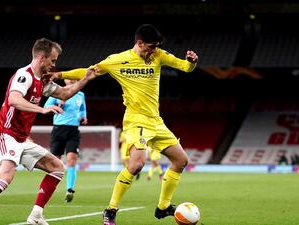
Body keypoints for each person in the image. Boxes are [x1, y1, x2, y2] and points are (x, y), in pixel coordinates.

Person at [45, 24, 198, 225]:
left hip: (156, 120)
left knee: (181, 160)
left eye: (156, 47)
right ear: (139, 43)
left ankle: (163, 207)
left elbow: (184, 67)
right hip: (136, 119)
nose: (153, 51)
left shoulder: (158, 55)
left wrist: (191, 62)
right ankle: (110, 210)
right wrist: (61, 75)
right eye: (150, 47)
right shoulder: (117, 60)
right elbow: (88, 71)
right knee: (137, 164)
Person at [0, 38, 95, 225]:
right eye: (52, 61)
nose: (54, 65)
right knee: (5, 177)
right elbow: (14, 99)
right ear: (41, 57)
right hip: (5, 134)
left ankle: (36, 216)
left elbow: (64, 93)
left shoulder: (42, 81)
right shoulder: (25, 75)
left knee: (57, 168)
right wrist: (42, 109)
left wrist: (85, 79)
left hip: (21, 139)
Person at [43, 79, 88, 203]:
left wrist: (84, 117)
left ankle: (70, 189)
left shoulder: (80, 94)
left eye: (75, 77)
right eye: (70, 77)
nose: (72, 79)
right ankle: (48, 190)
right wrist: (58, 105)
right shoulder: (57, 92)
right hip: (58, 130)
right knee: (54, 163)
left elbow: (82, 109)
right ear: (65, 80)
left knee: (71, 160)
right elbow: (45, 107)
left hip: (73, 131)